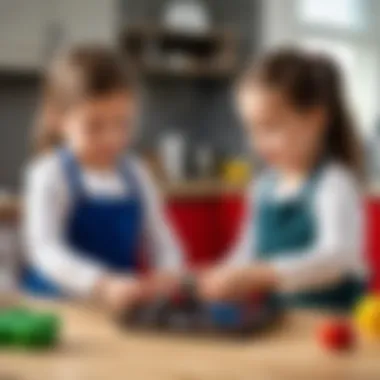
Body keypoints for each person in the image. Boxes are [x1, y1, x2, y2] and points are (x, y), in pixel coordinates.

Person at [200, 48, 366, 310]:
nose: (257, 142)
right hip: (281, 325)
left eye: (270, 127)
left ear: (316, 120)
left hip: (336, 326)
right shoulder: (263, 187)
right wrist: (225, 275)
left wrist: (262, 275)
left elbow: (337, 258)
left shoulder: (334, 183)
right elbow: (247, 250)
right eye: (251, 128)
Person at [23, 45, 183, 313]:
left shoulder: (136, 173)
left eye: (123, 123)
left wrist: (169, 272)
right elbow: (45, 251)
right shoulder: (49, 174)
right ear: (58, 118)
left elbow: (163, 240)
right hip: (58, 307)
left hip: (118, 307)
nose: (112, 138)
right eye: (94, 126)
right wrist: (101, 282)